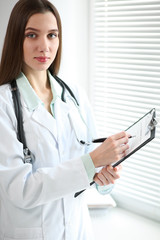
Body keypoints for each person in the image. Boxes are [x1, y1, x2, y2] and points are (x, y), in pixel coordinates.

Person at [0, 0, 129, 239]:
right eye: (32, 35)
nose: (44, 46)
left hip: (78, 231)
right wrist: (91, 162)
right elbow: (20, 190)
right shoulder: (4, 104)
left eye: (52, 35)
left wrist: (105, 177)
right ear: (16, 38)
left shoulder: (75, 95)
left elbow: (94, 165)